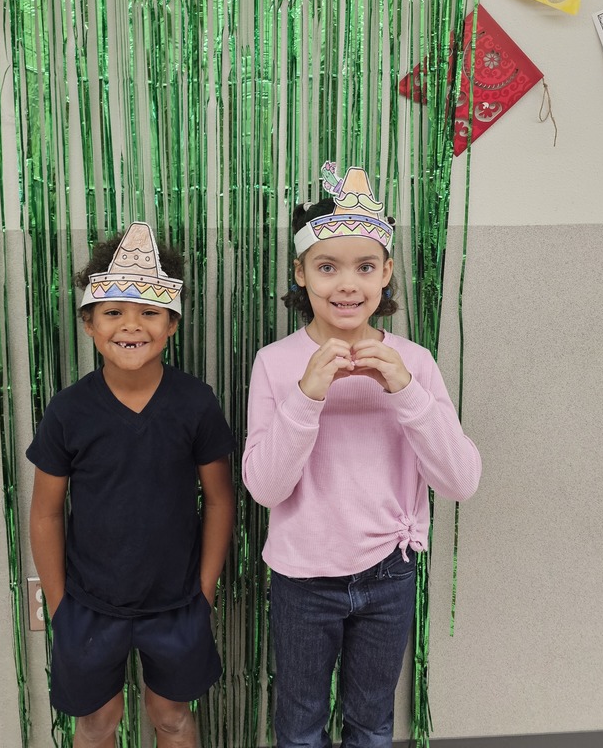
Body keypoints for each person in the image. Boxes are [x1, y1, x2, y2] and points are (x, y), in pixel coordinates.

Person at [242, 161, 481, 748]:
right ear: (301, 275)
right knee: (299, 727)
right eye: (327, 268)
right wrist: (305, 400)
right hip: (303, 578)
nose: (347, 284)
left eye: (365, 267)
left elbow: (460, 481)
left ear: (387, 273)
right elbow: (265, 488)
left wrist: (407, 392)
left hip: (389, 574)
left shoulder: (416, 362)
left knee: (372, 723)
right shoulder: (275, 363)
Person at [28, 222, 235, 748]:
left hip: (177, 603)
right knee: (97, 723)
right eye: (114, 311)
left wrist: (204, 590)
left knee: (172, 718)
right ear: (89, 325)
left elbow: (218, 500)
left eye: (148, 312)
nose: (131, 325)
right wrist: (59, 605)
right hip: (89, 605)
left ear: (172, 324)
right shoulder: (68, 411)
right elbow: (46, 513)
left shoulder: (195, 403)